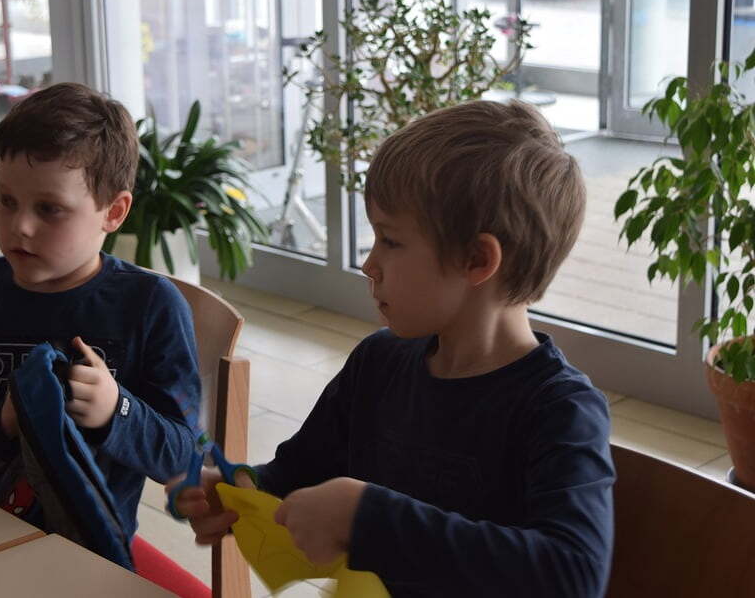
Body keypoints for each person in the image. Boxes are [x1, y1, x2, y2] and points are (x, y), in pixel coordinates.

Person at [170, 99, 614, 597]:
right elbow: (296, 475)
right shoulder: (378, 364)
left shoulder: (560, 410)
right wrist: (240, 491)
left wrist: (368, 517)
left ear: (476, 259)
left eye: (391, 241)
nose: (369, 264)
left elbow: (573, 576)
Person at [0, 83, 200, 541]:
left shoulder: (150, 306)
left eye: (50, 209)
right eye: (6, 201)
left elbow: (183, 456)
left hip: (85, 552)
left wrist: (115, 409)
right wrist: (2, 421)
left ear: (113, 212)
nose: (20, 226)